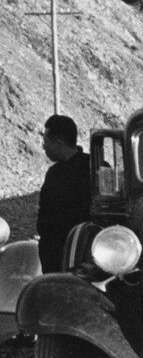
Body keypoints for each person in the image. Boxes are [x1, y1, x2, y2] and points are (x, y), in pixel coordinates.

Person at [37, 114, 92, 273]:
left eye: (46, 142)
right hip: (86, 258)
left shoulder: (55, 175)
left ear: (59, 142)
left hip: (68, 260)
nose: (43, 147)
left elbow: (46, 221)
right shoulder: (95, 165)